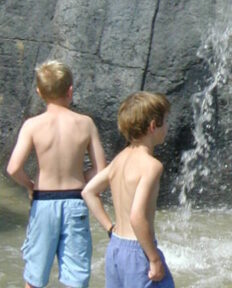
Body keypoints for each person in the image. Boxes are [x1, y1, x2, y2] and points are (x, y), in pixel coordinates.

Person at [6, 59, 107, 288]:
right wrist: (81, 178)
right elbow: (101, 169)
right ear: (70, 90)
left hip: (43, 203)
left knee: (34, 277)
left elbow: (13, 168)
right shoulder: (85, 123)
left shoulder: (33, 125)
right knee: (76, 279)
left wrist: (30, 185)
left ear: (39, 92)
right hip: (75, 202)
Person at [82, 91, 175, 288]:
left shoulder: (119, 159)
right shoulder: (152, 166)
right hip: (138, 252)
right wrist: (154, 258)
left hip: (115, 248)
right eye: (166, 121)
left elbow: (88, 192)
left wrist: (110, 227)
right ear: (152, 126)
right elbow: (137, 216)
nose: (167, 127)